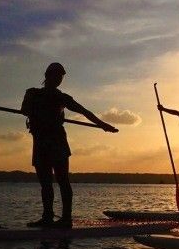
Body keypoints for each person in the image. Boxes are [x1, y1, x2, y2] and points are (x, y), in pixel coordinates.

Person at [21, 62, 118, 228]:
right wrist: (37, 111)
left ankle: (66, 219)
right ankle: (47, 217)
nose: (59, 79)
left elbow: (84, 111)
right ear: (47, 76)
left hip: (58, 142)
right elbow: (24, 110)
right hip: (41, 142)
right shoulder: (32, 93)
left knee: (63, 180)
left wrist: (103, 125)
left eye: (61, 77)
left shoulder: (62, 98)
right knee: (45, 183)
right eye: (56, 76)